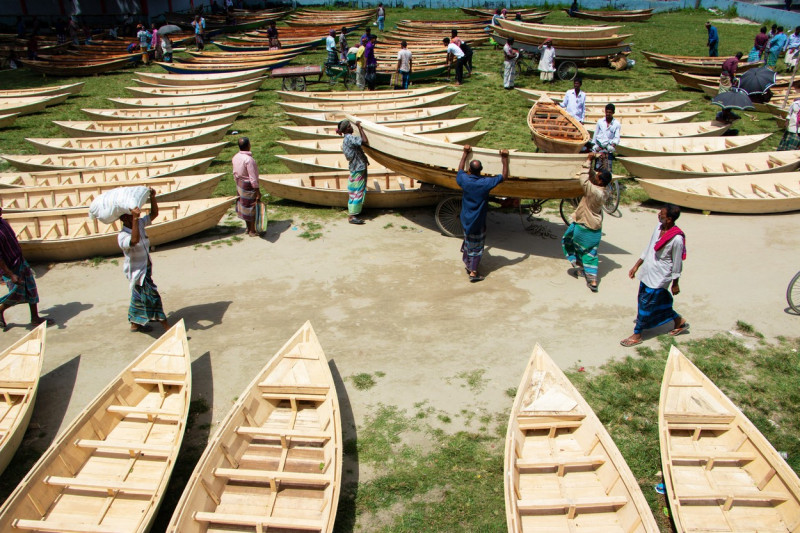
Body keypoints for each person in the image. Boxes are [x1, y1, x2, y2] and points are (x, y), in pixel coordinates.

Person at [620, 204, 688, 347]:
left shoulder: (676, 239)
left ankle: (637, 334)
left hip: (660, 277)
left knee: (646, 304)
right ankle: (678, 321)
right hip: (648, 272)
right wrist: (636, 265)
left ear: (669, 219)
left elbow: (677, 263)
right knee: (655, 303)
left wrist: (675, 283)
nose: (659, 215)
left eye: (662, 214)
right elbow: (649, 247)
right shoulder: (658, 228)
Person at [118, 189, 169, 333]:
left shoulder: (140, 223)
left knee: (138, 297)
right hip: (136, 273)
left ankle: (135, 323)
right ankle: (167, 327)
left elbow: (154, 214)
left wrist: (153, 197)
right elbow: (133, 241)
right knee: (153, 298)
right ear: (123, 219)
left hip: (145, 268)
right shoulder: (122, 236)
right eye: (129, 215)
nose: (133, 216)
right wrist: (134, 219)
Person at [456, 145, 509, 282]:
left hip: (466, 219)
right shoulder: (485, 183)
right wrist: (504, 158)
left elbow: (460, 169)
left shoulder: (464, 180)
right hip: (478, 221)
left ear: (470, 170)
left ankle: (468, 264)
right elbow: (504, 176)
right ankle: (473, 273)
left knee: (469, 241)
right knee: (477, 247)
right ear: (481, 171)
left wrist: (465, 153)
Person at [562, 154, 612, 292]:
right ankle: (589, 276)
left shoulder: (594, 192)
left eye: (598, 176)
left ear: (601, 181)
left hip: (584, 225)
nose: (595, 176)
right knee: (590, 253)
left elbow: (584, 179)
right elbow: (591, 177)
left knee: (573, 243)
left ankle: (591, 279)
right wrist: (593, 160)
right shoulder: (605, 191)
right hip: (594, 228)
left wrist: (588, 161)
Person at [0, 207, 50, 331]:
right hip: (11, 267)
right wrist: (10, 274)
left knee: (31, 288)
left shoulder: (2, 222)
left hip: (20, 261)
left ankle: (35, 318)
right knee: (17, 294)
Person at [336, 120, 370, 225]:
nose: (352, 127)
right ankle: (352, 216)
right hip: (358, 167)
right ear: (347, 129)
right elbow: (364, 140)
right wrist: (360, 128)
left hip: (357, 166)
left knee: (357, 190)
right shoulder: (350, 138)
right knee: (357, 191)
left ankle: (355, 212)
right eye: (350, 126)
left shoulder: (347, 139)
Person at [232, 137, 263, 237]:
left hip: (239, 183)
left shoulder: (235, 157)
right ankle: (252, 231)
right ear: (248, 145)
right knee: (251, 207)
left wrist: (237, 185)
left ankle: (248, 227)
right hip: (248, 185)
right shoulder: (249, 160)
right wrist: (257, 191)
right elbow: (253, 178)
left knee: (244, 206)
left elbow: (234, 173)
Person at [592, 103, 620, 172]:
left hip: (608, 149)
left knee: (608, 171)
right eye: (606, 112)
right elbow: (595, 135)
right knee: (597, 169)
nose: (608, 114)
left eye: (610, 112)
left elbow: (617, 138)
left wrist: (612, 146)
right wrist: (594, 146)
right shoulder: (600, 122)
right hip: (599, 148)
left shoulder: (616, 124)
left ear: (613, 112)